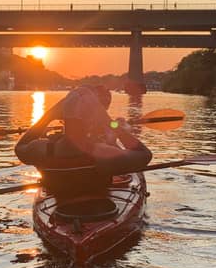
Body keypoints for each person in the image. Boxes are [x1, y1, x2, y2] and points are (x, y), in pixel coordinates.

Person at [15, 85, 152, 198]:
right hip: (101, 210)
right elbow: (144, 154)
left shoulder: (41, 149)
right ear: (93, 119)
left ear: (62, 116)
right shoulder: (102, 153)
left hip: (61, 213)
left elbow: (20, 146)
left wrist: (47, 117)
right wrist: (111, 124)